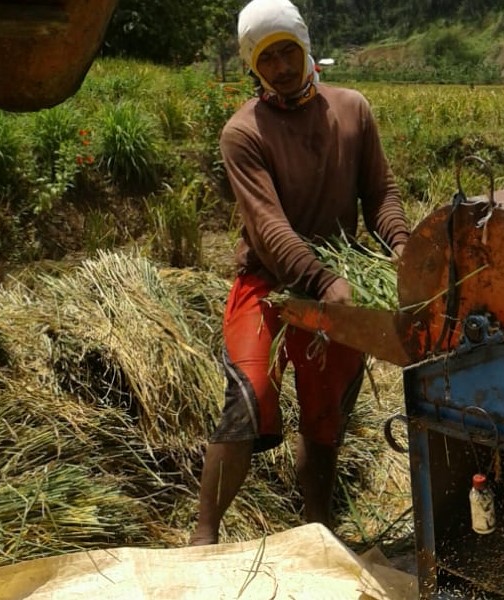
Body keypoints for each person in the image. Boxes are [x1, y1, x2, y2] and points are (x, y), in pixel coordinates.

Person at [189, 0, 409, 545]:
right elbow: (269, 229)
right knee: (250, 394)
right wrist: (323, 282)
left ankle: (317, 529)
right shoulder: (244, 132)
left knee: (326, 406)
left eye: (288, 51)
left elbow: (380, 194)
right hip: (269, 281)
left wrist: (403, 247)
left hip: (338, 276)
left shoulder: (352, 110)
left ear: (305, 45)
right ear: (254, 67)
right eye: (267, 60)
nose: (282, 68)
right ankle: (203, 534)